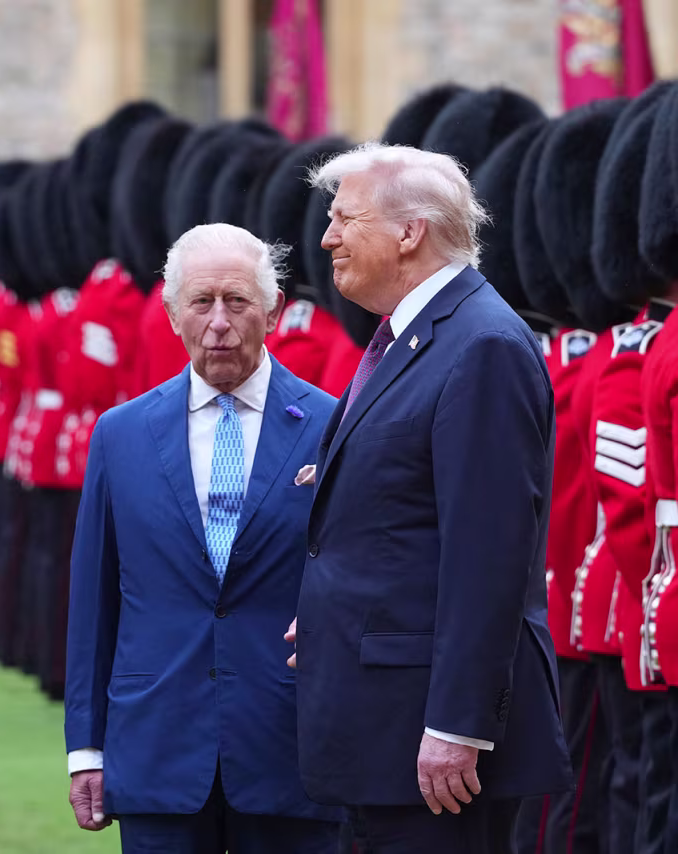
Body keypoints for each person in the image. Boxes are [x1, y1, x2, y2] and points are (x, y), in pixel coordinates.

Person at [291, 142, 573, 852]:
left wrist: (458, 724)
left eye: (344, 219)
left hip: (431, 739)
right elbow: (399, 517)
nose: (326, 237)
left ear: (409, 232)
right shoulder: (409, 337)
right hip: (381, 720)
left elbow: (488, 556)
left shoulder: (479, 346)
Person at [64, 222, 341, 854]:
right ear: (171, 314)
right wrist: (86, 746)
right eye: (202, 302)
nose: (220, 322)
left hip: (290, 749)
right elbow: (94, 603)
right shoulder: (121, 434)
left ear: (271, 311)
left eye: (238, 302)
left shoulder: (333, 424)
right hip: (157, 747)